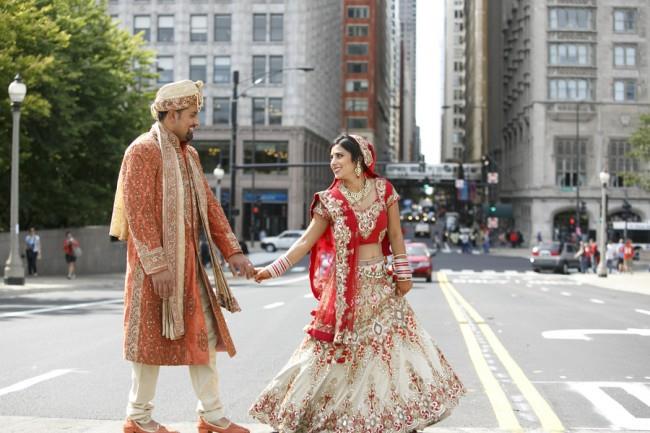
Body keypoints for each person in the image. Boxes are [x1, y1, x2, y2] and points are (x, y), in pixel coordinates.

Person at [249, 134, 465, 433]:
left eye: (339, 156)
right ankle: (312, 413)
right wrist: (272, 269)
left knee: (391, 353)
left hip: (381, 287)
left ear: (359, 161)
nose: (333, 163)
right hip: (346, 291)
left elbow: (396, 235)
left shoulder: (384, 190)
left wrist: (403, 274)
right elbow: (305, 241)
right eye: (331, 157)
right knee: (333, 353)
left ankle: (393, 416)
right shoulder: (330, 201)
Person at [109, 80, 255, 433]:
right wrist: (156, 264)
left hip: (190, 266)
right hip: (152, 269)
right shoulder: (142, 150)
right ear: (171, 114)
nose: (197, 123)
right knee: (147, 344)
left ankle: (213, 415)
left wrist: (232, 252)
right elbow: (139, 211)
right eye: (192, 115)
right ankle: (138, 418)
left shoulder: (188, 155)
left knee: (203, 335)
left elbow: (209, 204)